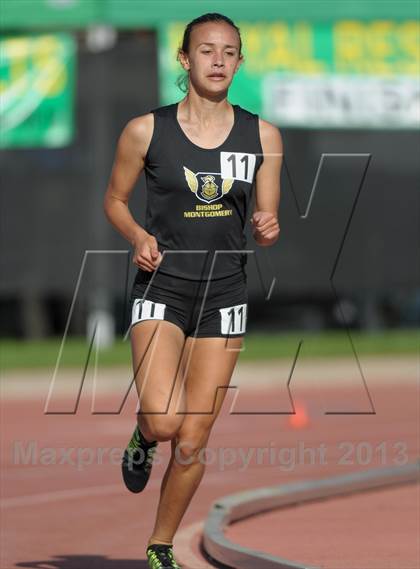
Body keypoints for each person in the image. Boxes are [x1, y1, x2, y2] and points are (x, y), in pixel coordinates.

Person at [103, 12, 282, 569]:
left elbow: (267, 217)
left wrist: (267, 225)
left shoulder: (263, 135)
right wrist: (136, 235)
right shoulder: (145, 130)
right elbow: (114, 200)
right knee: (163, 421)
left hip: (225, 295)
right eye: (207, 51)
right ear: (185, 60)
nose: (219, 60)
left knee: (191, 439)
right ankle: (141, 433)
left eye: (229, 51)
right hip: (163, 287)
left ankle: (160, 547)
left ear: (240, 61)